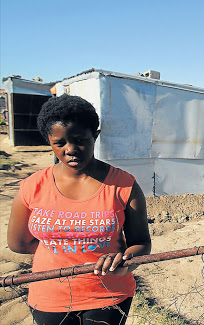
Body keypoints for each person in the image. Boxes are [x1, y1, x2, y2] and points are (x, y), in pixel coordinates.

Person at [7, 94, 151, 325]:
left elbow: (142, 242)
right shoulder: (32, 186)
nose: (71, 149)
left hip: (109, 295)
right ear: (49, 141)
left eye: (80, 139)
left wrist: (123, 263)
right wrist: (61, 252)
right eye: (60, 143)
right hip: (50, 295)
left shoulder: (124, 185)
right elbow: (19, 244)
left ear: (95, 135)